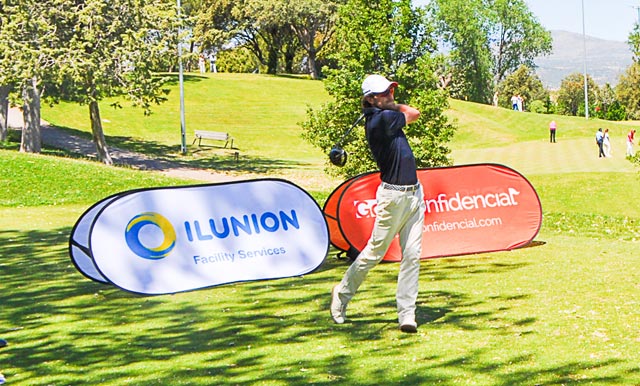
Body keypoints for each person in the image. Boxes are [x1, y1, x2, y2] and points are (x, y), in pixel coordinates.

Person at [330, 74, 425, 333]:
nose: (390, 95)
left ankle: (407, 314)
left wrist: (386, 103)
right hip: (393, 197)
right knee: (374, 252)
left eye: (391, 91)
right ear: (371, 99)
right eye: (384, 93)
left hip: (415, 193)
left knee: (413, 255)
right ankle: (341, 294)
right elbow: (414, 113)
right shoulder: (381, 120)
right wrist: (391, 106)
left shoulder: (381, 114)